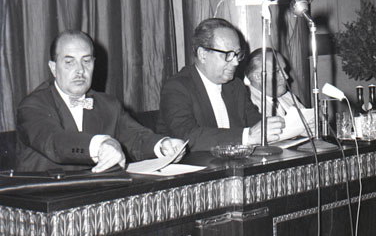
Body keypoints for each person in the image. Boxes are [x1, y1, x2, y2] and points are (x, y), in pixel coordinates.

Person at [16, 30, 186, 172]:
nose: (80, 70)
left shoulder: (108, 105)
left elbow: (135, 137)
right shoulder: (32, 105)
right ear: (53, 68)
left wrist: (162, 145)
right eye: (69, 62)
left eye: (86, 61)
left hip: (93, 195)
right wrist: (100, 145)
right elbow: (55, 141)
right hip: (43, 198)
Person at [158, 18, 285, 151]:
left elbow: (256, 123)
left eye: (237, 55)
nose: (236, 62)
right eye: (228, 55)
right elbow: (187, 137)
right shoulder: (177, 88)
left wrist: (282, 129)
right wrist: (247, 136)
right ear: (203, 54)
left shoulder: (236, 86)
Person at [244, 48, 305, 118]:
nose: (286, 76)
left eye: (284, 70)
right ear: (258, 77)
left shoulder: (288, 96)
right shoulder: (246, 105)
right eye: (277, 71)